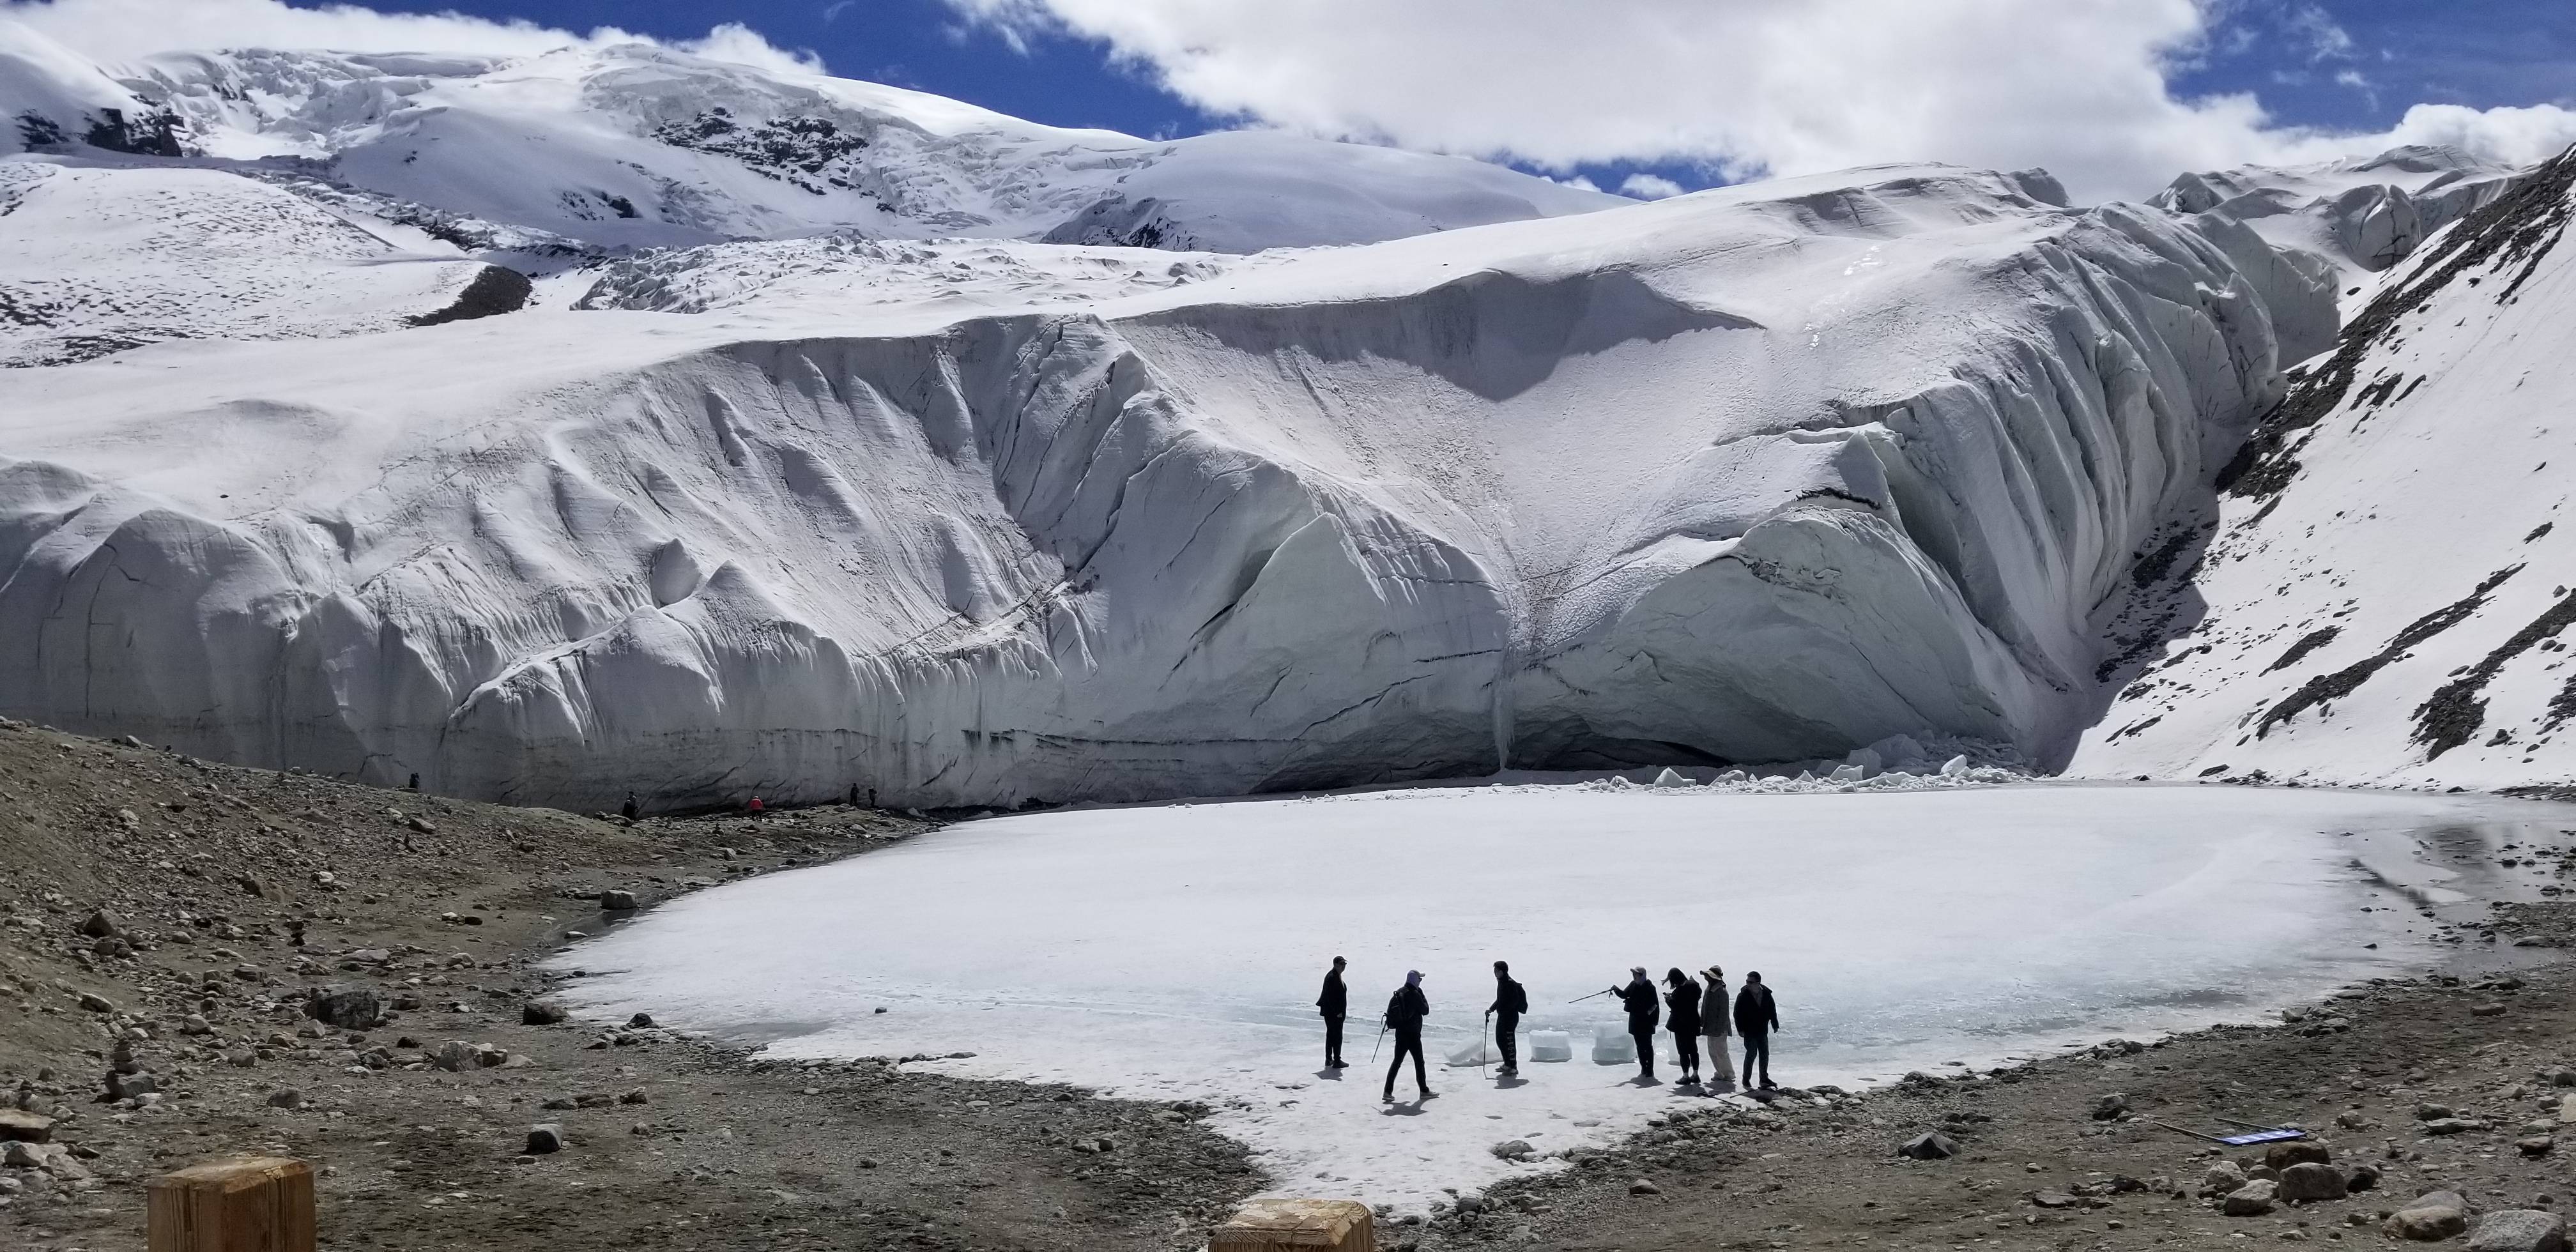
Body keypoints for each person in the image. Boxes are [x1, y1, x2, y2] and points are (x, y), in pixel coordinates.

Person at [1383, 970, 1432, 1103]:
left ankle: (1387, 1091)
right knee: (1419, 1062)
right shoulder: (1415, 994)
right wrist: (1423, 996)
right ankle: (1424, 1091)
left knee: (1397, 1062)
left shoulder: (1399, 992)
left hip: (1400, 1034)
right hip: (1413, 1034)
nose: (1420, 982)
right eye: (1420, 980)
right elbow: (1425, 1011)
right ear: (1415, 980)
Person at [1608, 966, 1660, 1082]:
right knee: (1640, 1046)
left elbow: (1655, 1006)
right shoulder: (1633, 985)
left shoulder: (1650, 988)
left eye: (1636, 974)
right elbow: (1624, 994)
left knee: (1648, 1046)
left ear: (1642, 976)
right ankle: (1643, 1068)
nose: (1634, 976)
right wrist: (1616, 989)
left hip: (1646, 1023)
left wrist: (1654, 1022)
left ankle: (1650, 1069)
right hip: (1636, 1022)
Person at [1734, 970, 1781, 1090]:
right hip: (1749, 1030)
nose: (1748, 984)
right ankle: (1746, 1079)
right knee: (1751, 1054)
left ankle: (1764, 1079)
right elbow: (1737, 1014)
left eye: (1751, 982)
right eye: (1747, 982)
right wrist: (1740, 1029)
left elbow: (1772, 1010)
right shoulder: (1743, 995)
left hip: (1762, 1030)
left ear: (1758, 982)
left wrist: (1775, 1024)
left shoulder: (1766, 994)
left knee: (1765, 1054)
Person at [1486, 960, 1528, 1078]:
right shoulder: (1502, 982)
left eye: (1496, 971)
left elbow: (1513, 1002)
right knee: (1500, 1040)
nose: (1494, 973)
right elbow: (1500, 999)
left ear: (1502, 972)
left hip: (1510, 1018)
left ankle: (1513, 1067)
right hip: (1503, 1016)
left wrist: (1504, 1010)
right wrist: (1491, 1009)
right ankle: (1507, 1064)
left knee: (1509, 1042)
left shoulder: (1510, 984)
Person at [1699, 966, 1737, 1090]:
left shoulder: (1721, 991)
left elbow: (1723, 1013)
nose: (1706, 978)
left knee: (1721, 1052)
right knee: (1712, 1051)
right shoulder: (1710, 988)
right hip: (1710, 1026)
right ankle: (1720, 1073)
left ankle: (1729, 1074)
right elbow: (1705, 1007)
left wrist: (1720, 1028)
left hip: (1719, 1028)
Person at [1663, 968, 1703, 1084]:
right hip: (1693, 1022)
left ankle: (1685, 1076)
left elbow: (1676, 1007)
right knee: (1693, 1050)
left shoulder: (1679, 991)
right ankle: (1695, 1075)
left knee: (1683, 1052)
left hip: (1680, 1025)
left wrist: (1668, 999)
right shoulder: (1694, 987)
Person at [1317, 956, 1349, 1069]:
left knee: (1331, 1035)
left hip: (1331, 1013)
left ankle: (1329, 1059)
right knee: (1336, 1036)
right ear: (1335, 964)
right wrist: (1338, 1012)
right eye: (1341, 964)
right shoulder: (1332, 977)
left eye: (1345, 964)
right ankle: (1337, 1060)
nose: (1343, 966)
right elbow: (1330, 998)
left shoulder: (1336, 976)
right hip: (1333, 1014)